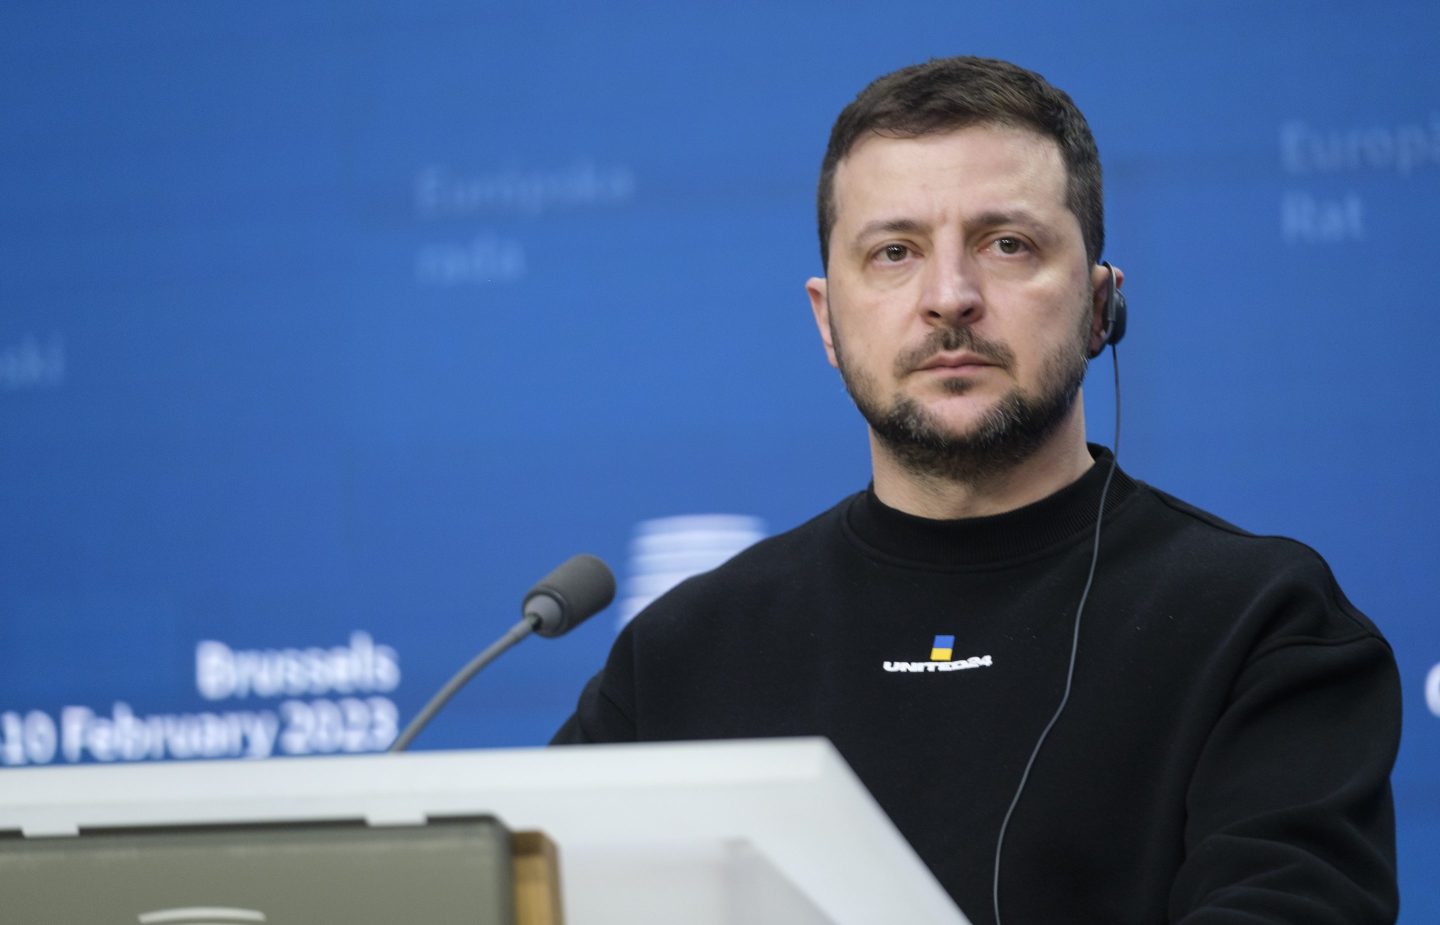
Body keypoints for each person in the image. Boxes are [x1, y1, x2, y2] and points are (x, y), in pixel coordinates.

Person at [552, 56, 1400, 924]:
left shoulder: (1261, 622)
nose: (950, 297)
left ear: (1100, 305)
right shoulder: (682, 654)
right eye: (894, 252)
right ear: (826, 319)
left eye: (1007, 244)